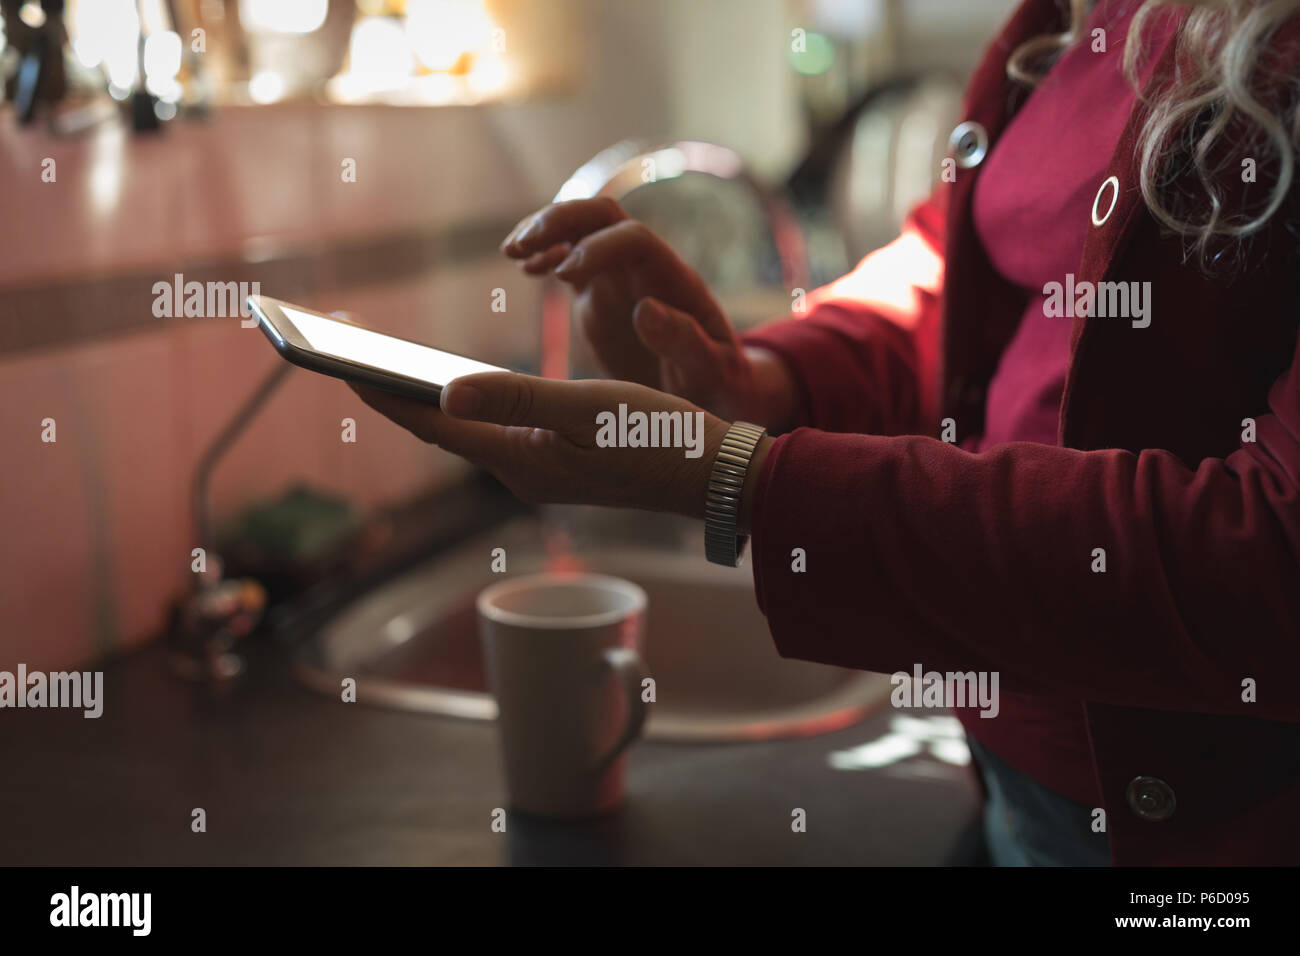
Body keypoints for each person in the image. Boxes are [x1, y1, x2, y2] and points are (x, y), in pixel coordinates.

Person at [355, 0, 1300, 866]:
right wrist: (761, 379)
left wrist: (743, 480)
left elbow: (1274, 553)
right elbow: (948, 272)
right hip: (1010, 760)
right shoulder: (1085, 16)